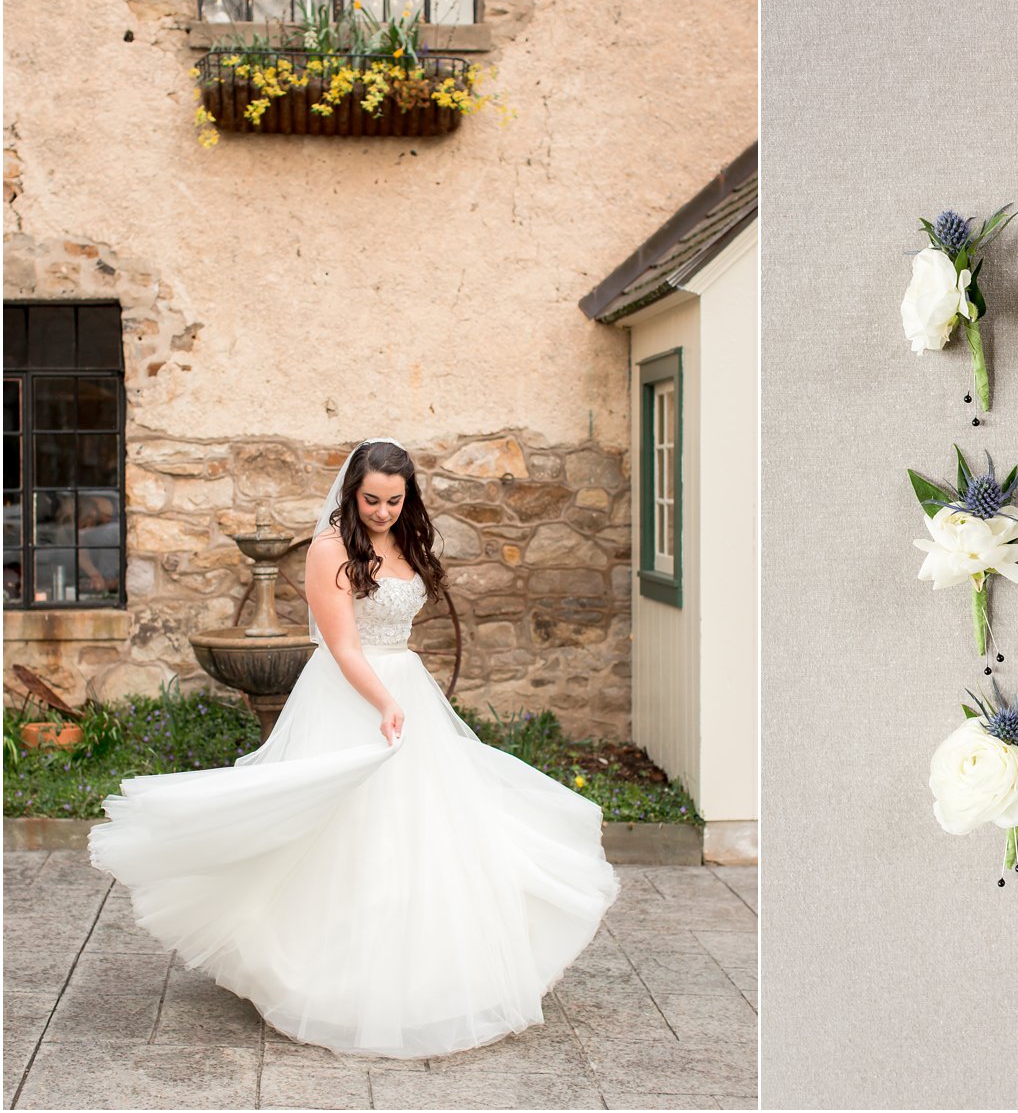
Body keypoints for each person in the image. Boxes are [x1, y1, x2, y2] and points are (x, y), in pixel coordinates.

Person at [88, 437, 619, 1059]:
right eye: (372, 499)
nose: (383, 511)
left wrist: (402, 696)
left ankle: (426, 971)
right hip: (351, 693)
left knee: (426, 830)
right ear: (352, 491)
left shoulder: (405, 541)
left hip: (405, 688)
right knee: (344, 832)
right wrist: (384, 702)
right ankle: (325, 974)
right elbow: (341, 648)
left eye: (395, 500)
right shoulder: (330, 549)